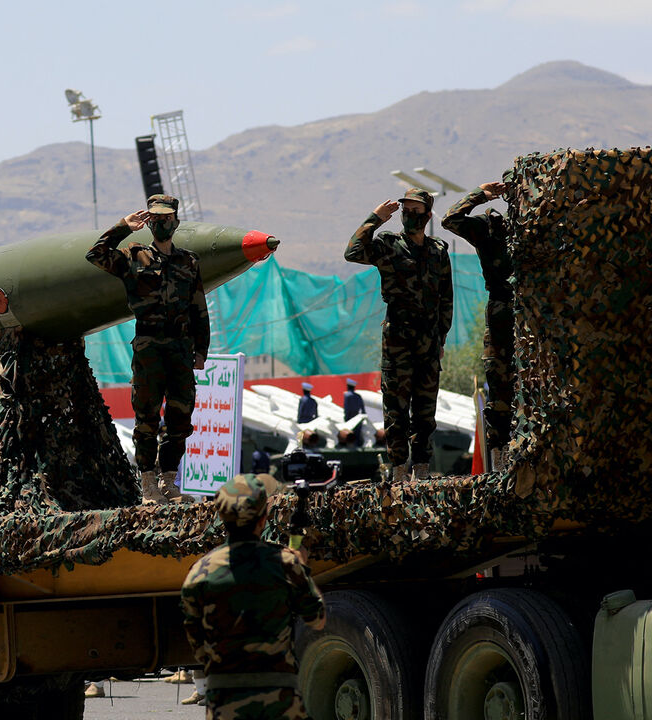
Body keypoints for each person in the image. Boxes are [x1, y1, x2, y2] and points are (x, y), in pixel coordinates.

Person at [87, 194, 209, 504]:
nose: (161, 223)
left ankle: (170, 481)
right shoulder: (134, 257)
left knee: (181, 418)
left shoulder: (188, 261)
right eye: (155, 219)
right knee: (147, 419)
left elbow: (198, 307)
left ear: (175, 222)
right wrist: (122, 228)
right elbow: (95, 254)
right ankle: (148, 485)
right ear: (149, 223)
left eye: (166, 218)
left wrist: (201, 350)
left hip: (181, 350)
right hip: (149, 348)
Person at [181, 474, 325, 719]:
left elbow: (196, 642)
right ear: (263, 519)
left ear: (222, 519)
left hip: (224, 702)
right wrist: (301, 568)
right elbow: (317, 619)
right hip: (279, 701)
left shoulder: (199, 572)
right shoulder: (284, 564)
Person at [346, 188, 453, 482]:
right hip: (397, 340)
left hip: (428, 341)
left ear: (428, 215)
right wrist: (376, 219)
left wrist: (441, 339)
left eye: (416, 211)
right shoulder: (388, 245)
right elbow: (353, 252)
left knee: (425, 409)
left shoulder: (438, 252)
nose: (409, 216)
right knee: (395, 407)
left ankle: (421, 467)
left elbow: (446, 298)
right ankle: (399, 470)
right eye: (406, 211)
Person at [442, 180, 514, 471]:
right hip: (502, 309)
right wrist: (480, 196)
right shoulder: (490, 227)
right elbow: (450, 219)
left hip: (537, 313)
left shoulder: (539, 227)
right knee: (499, 386)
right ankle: (499, 459)